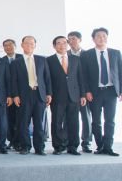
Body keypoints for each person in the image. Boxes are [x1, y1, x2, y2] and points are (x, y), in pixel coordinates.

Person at [81, 27, 122, 156]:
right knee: (96, 121)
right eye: (98, 36)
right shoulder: (87, 54)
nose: (101, 38)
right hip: (95, 92)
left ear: (107, 38)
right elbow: (84, 75)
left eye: (104, 36)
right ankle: (100, 146)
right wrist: (87, 91)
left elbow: (120, 72)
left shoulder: (115, 53)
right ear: (93, 39)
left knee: (110, 120)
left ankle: (108, 147)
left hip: (111, 91)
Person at [11, 36, 52, 155]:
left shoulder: (42, 60)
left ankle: (40, 148)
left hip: (39, 94)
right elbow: (14, 81)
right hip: (24, 96)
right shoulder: (16, 62)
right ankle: (25, 146)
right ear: (22, 45)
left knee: (39, 123)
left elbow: (47, 78)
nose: (29, 45)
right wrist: (15, 95)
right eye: (26, 43)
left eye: (31, 43)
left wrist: (49, 93)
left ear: (35, 45)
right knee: (23, 123)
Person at [47, 36, 86, 155]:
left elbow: (81, 78)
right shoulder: (49, 60)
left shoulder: (75, 59)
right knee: (57, 122)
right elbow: (47, 80)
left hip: (74, 95)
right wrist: (49, 94)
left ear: (67, 44)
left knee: (73, 122)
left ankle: (72, 146)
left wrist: (82, 95)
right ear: (54, 46)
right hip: (57, 96)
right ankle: (59, 146)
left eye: (64, 43)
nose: (62, 45)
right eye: (58, 43)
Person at [67, 31, 93, 153]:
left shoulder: (88, 54)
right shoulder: (65, 54)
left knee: (86, 118)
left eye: (74, 38)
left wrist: (87, 91)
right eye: (69, 39)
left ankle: (86, 142)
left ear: (80, 40)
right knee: (70, 119)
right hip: (69, 93)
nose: (71, 41)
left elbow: (90, 74)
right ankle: (70, 142)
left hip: (85, 91)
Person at [2, 39, 24, 151]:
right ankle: (11, 141)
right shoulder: (1, 61)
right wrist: (8, 95)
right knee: (9, 119)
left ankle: (19, 141)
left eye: (10, 45)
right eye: (5, 46)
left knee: (21, 119)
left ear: (15, 46)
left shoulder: (22, 58)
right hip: (8, 96)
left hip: (22, 94)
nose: (8, 47)